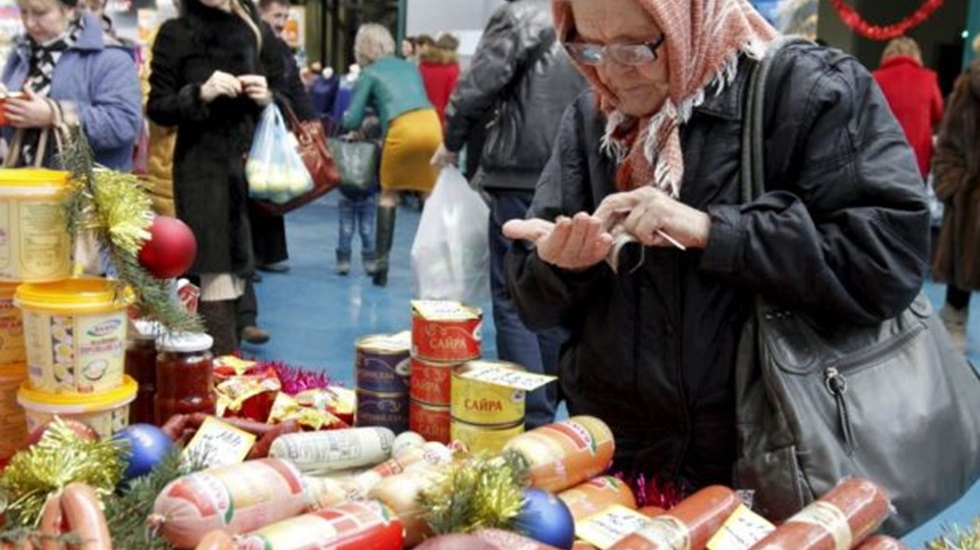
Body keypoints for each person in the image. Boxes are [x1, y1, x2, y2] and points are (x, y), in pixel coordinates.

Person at [504, 0, 929, 487]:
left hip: (771, 463)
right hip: (618, 465)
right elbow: (534, 305)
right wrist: (559, 266)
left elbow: (885, 259)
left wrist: (714, 231)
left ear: (686, 21)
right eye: (591, 49)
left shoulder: (806, 90)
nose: (614, 74)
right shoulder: (592, 120)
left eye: (635, 47)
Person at [431, 0, 588, 429]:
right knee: (558, 292)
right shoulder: (593, 13)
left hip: (520, 172)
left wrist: (452, 140)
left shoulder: (520, 15)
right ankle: (552, 405)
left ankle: (529, 416)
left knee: (515, 297)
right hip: (578, 171)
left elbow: (479, 86)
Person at [148, 0, 285, 355]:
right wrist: (200, 93)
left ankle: (221, 374)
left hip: (243, 171)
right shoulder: (175, 33)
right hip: (199, 171)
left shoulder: (252, 29)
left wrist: (265, 96)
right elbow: (158, 106)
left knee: (233, 277)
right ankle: (220, 373)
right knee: (213, 277)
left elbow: (285, 89)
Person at [341, 23, 441, 287]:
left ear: (361, 47)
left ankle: (381, 269)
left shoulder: (369, 74)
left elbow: (352, 121)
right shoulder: (409, 66)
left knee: (389, 194)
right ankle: (437, 266)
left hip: (403, 130)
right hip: (431, 125)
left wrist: (350, 115)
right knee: (429, 195)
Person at [1, 0, 141, 170]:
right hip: (26, 186)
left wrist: (56, 114)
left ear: (69, 10)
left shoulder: (110, 57)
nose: (30, 22)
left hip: (86, 189)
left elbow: (123, 124)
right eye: (23, 12)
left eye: (40, 13)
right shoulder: (22, 52)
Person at [931, 39, 980, 351]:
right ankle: (952, 324)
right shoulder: (968, 88)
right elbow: (947, 146)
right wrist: (958, 188)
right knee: (960, 278)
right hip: (972, 200)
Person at [872, 37, 944, 181]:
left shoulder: (874, 79)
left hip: (882, 157)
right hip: (917, 159)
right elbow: (939, 114)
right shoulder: (928, 79)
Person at [418, 32, 460, 127]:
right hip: (441, 121)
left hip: (421, 117)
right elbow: (453, 97)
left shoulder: (423, 65)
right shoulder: (452, 68)